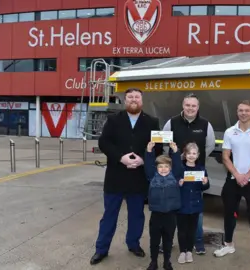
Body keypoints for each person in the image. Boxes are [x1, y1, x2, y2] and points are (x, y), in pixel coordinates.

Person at [90, 88, 163, 265]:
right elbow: (104, 142)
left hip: (138, 177)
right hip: (116, 175)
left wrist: (143, 159)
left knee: (137, 214)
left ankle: (133, 244)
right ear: (125, 100)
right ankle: (101, 249)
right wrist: (120, 157)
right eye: (130, 97)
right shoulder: (114, 119)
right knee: (109, 214)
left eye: (137, 97)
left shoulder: (152, 122)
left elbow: (158, 147)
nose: (133, 99)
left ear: (142, 101)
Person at [213, 100, 250, 264]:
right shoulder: (230, 132)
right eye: (240, 110)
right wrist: (237, 175)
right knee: (229, 213)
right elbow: (225, 156)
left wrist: (247, 175)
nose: (243, 113)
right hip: (232, 180)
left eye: (246, 110)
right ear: (237, 112)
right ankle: (228, 244)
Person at [161, 93, 215, 254]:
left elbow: (209, 146)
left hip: (196, 173)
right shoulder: (171, 123)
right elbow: (165, 146)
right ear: (182, 106)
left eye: (194, 106)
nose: (190, 108)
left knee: (195, 210)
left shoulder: (206, 125)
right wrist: (174, 162)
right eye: (188, 105)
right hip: (175, 174)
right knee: (170, 209)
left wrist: (194, 160)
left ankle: (198, 243)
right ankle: (168, 242)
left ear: (198, 107)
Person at [144, 141, 183, 270]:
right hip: (156, 215)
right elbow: (148, 166)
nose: (163, 169)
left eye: (166, 166)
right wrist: (149, 151)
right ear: (156, 168)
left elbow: (178, 165)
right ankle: (153, 262)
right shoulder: (152, 177)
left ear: (170, 168)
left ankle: (167, 262)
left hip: (170, 215)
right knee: (154, 241)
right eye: (160, 167)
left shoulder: (175, 177)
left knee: (168, 241)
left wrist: (175, 151)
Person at [176, 142, 210, 264]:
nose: (191, 155)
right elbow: (173, 183)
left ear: (198, 155)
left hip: (195, 205)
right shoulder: (180, 168)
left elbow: (205, 187)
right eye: (189, 153)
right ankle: (182, 252)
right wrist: (178, 183)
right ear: (185, 155)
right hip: (182, 205)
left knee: (192, 229)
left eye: (194, 153)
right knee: (182, 230)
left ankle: (189, 251)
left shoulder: (201, 169)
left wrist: (205, 182)